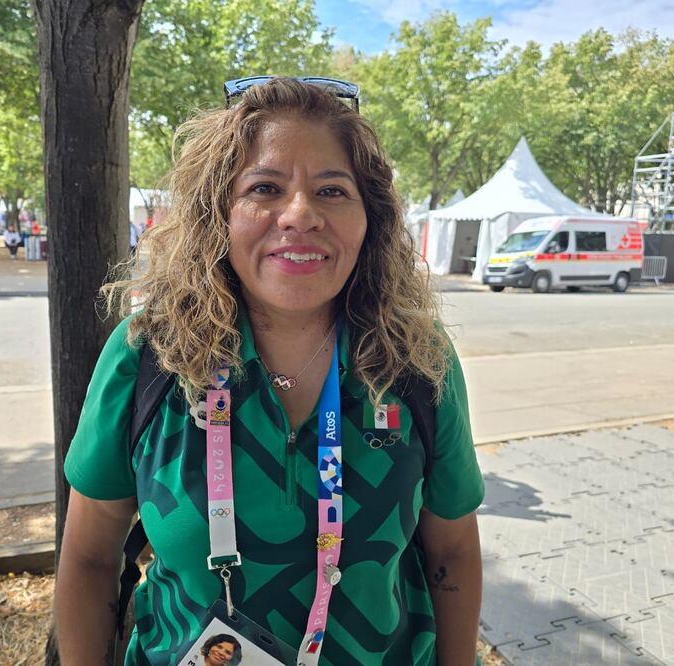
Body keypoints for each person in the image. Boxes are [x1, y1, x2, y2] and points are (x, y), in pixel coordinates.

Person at [55, 77, 484, 665]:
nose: (300, 215)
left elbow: (453, 551)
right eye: (265, 187)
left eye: (332, 190)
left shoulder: (415, 361)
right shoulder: (147, 356)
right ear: (218, 216)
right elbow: (89, 558)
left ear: (371, 220)